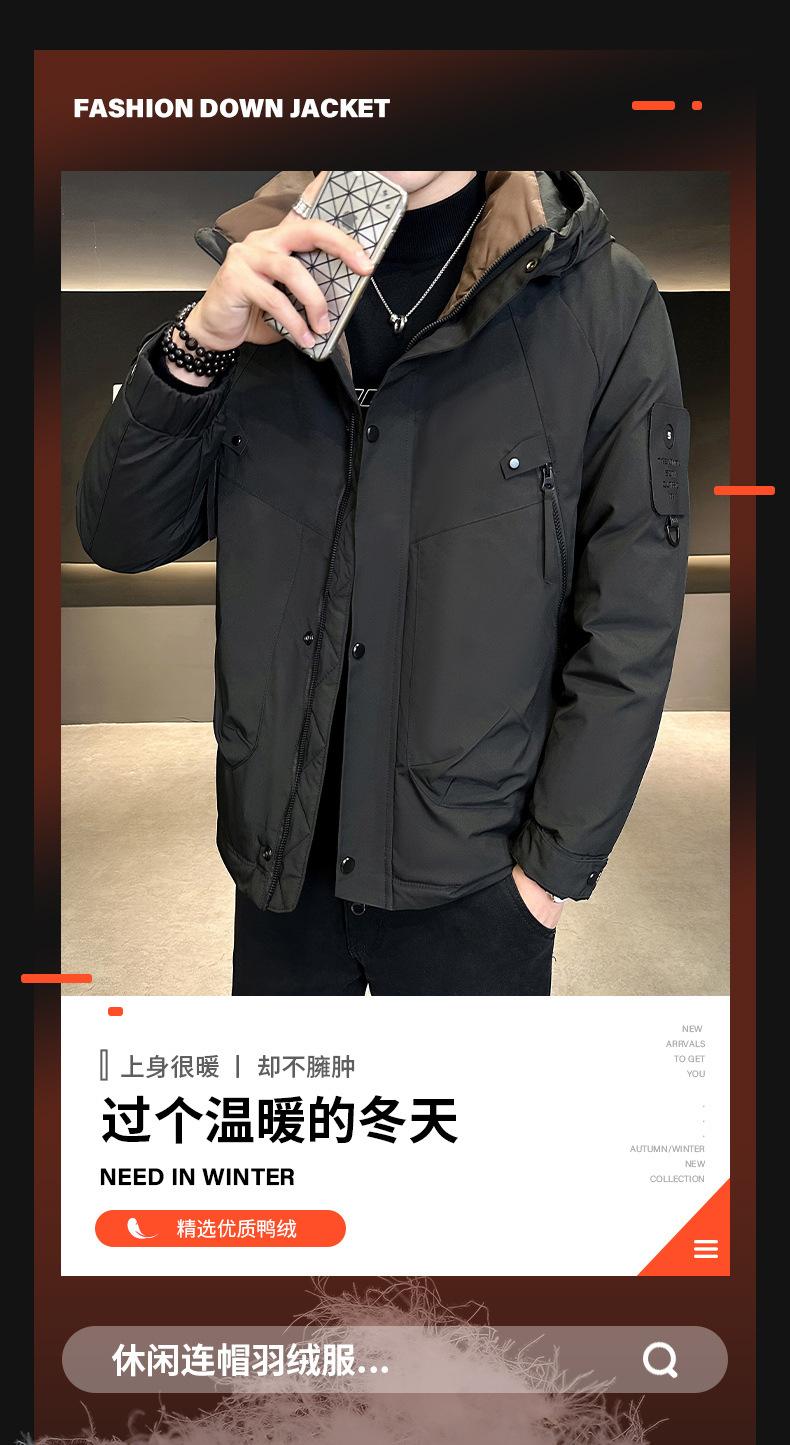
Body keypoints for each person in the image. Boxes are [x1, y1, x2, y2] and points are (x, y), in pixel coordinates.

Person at [77, 170, 690, 996]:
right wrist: (200, 342)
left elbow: (630, 616)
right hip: (282, 860)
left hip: (476, 878)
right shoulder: (264, 279)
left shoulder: (599, 301)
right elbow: (122, 536)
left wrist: (549, 872)